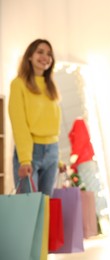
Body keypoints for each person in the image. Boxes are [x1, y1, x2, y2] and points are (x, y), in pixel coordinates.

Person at [9, 39, 65, 196]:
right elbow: (19, 123)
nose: (45, 57)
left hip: (52, 151)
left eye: (49, 54)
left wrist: (58, 159)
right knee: (29, 208)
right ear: (29, 56)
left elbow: (52, 128)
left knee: (45, 208)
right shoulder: (18, 84)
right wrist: (25, 159)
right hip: (31, 151)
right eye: (40, 52)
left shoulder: (51, 87)